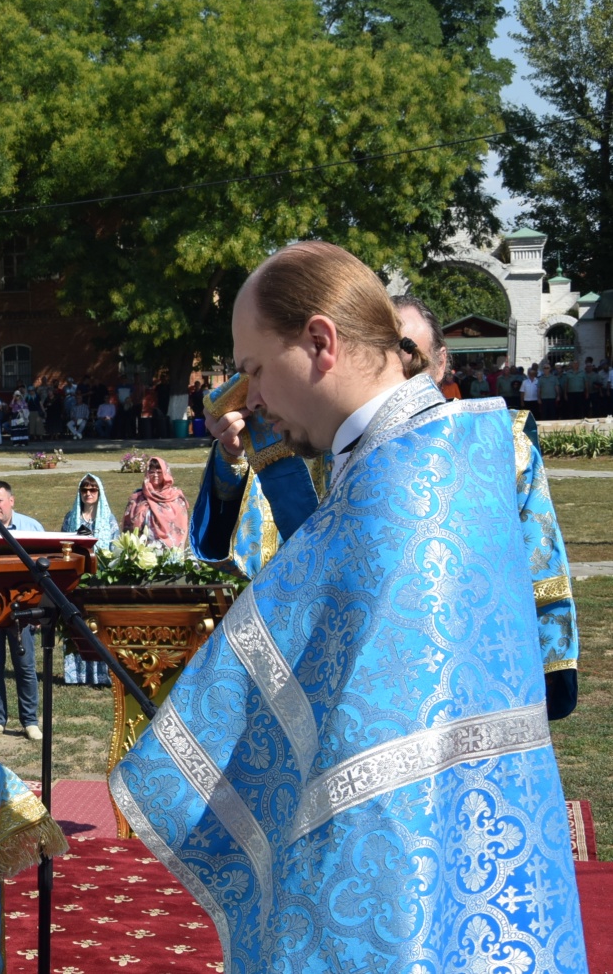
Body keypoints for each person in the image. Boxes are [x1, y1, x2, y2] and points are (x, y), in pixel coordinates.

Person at [111, 240, 586, 974]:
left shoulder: (392, 491)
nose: (251, 400)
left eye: (253, 371)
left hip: (399, 892)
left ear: (321, 342)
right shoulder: (452, 450)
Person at [191, 293, 579, 717]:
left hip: (467, 680)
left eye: (414, 357)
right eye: (391, 356)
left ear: (442, 362)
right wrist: (233, 456)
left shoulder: (498, 443)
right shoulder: (315, 450)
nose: (402, 374)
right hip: (342, 688)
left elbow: (539, 562)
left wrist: (548, 676)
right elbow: (249, 549)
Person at [0, 481, 42, 741]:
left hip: (22, 612)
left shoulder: (32, 528)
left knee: (24, 667)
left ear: (11, 501)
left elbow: (44, 573)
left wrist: (37, 609)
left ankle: (30, 721)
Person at [60, 475, 114, 685]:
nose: (88, 493)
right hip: (77, 580)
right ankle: (79, 674)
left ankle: (102, 674)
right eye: (85, 490)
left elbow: (115, 548)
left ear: (99, 493)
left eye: (93, 490)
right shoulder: (70, 518)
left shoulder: (108, 519)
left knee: (100, 626)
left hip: (101, 580)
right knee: (78, 624)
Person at [121, 457, 189, 549]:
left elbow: (182, 527)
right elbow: (127, 527)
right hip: (141, 551)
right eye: (152, 472)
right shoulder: (137, 498)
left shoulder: (176, 498)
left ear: (166, 473)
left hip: (169, 551)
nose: (155, 475)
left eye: (159, 472)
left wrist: (178, 551)